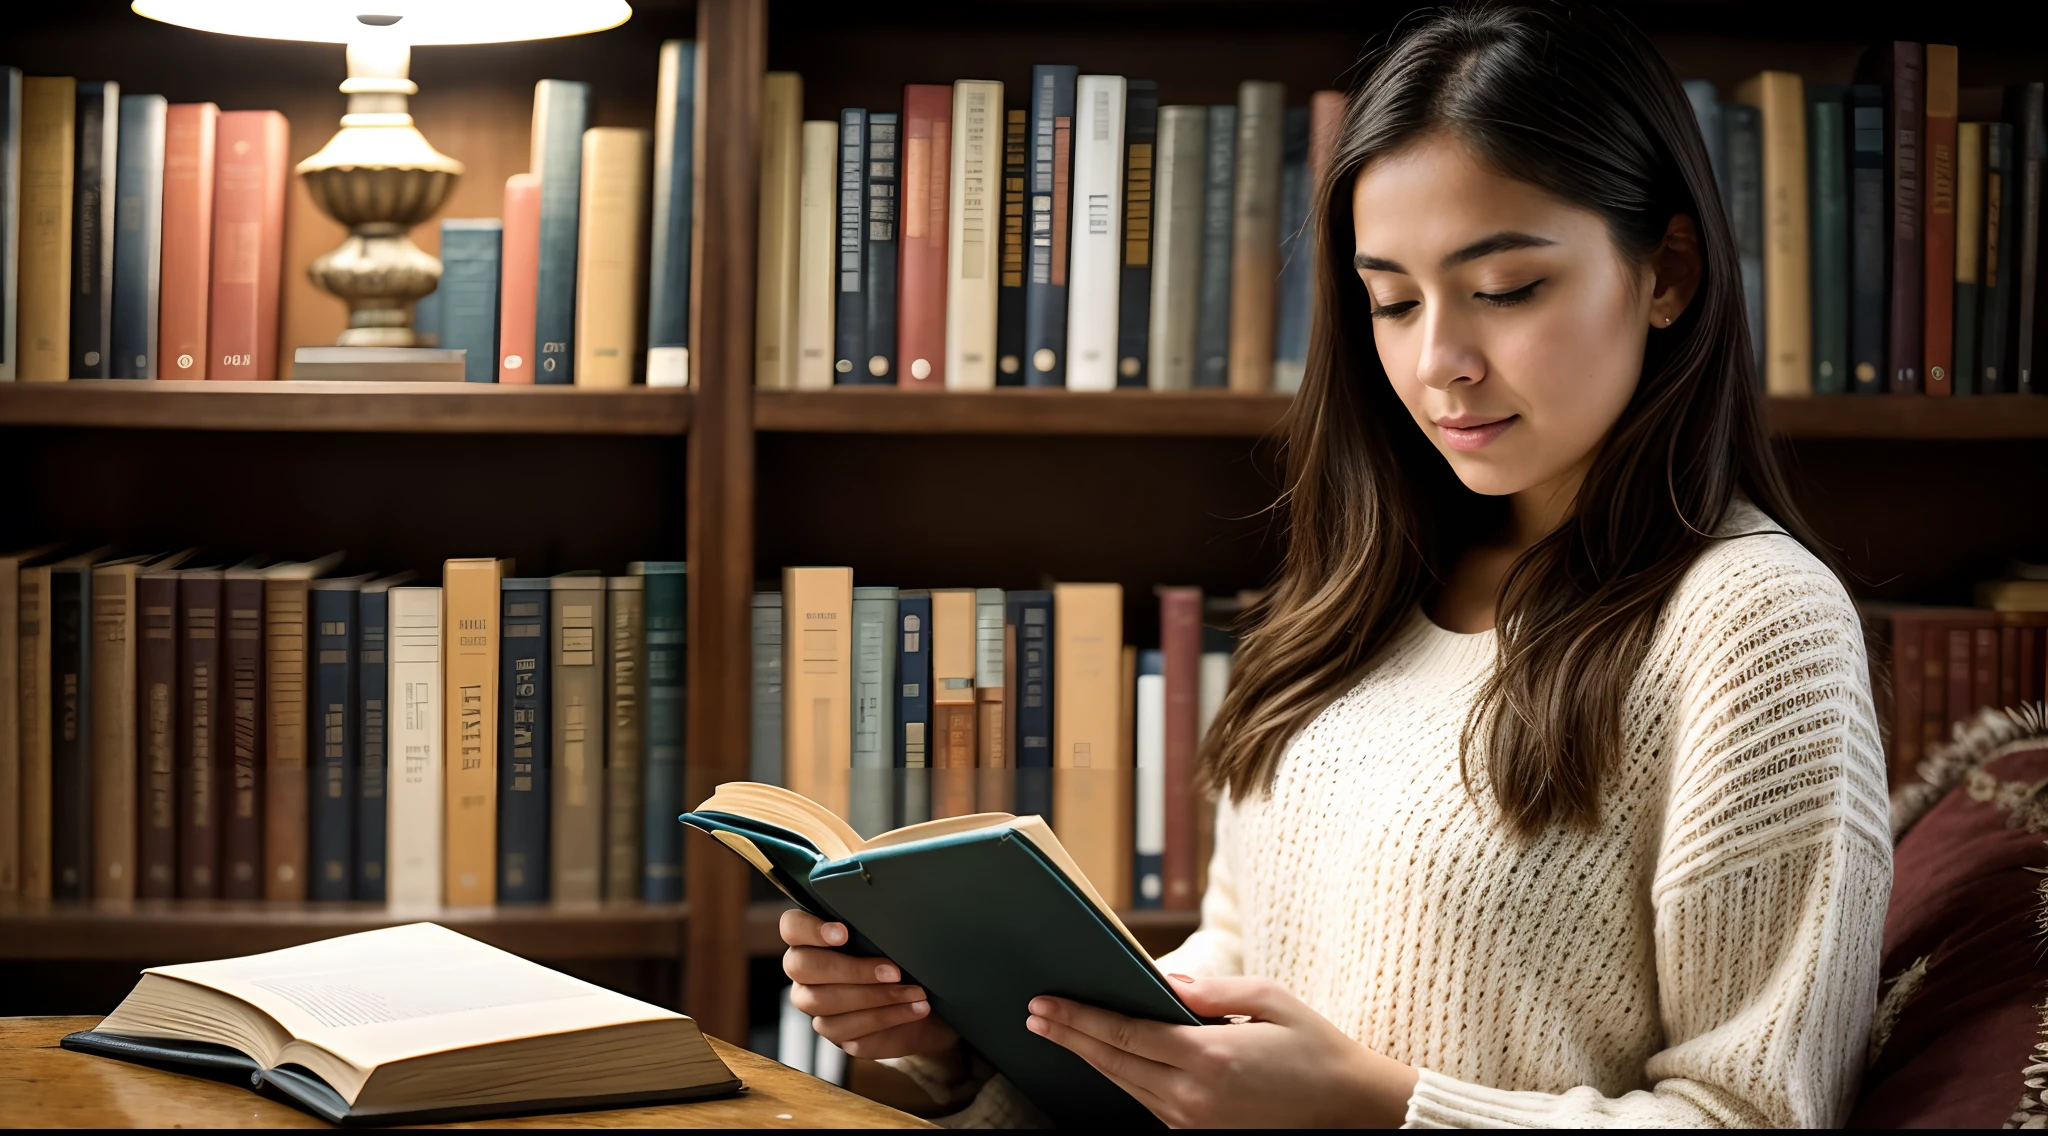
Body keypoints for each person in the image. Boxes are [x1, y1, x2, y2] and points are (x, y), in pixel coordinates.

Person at [778, 1, 1890, 1126]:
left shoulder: (1753, 623)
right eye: (1391, 301)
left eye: (1505, 289)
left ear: (1667, 272)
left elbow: (1753, 1111)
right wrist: (963, 1027)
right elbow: (1237, 979)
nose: (1437, 360)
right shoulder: (1356, 591)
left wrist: (1378, 1105)